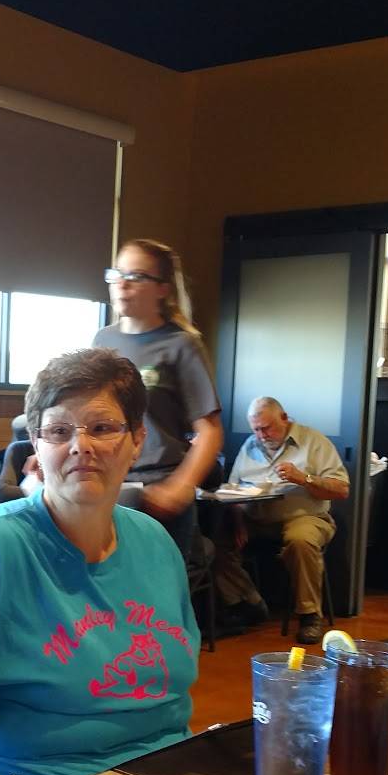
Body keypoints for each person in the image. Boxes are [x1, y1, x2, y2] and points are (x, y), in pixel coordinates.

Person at [0, 348, 200, 775]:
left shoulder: (155, 543)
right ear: (36, 446)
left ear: (137, 440)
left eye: (102, 428)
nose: (81, 446)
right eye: (59, 431)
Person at [92, 239, 222, 559]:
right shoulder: (102, 340)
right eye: (117, 274)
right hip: (110, 487)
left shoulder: (181, 345)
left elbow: (210, 432)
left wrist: (180, 487)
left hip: (158, 488)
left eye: (136, 276)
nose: (122, 284)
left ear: (162, 289)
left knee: (159, 587)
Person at [213, 396, 349, 644]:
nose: (261, 435)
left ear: (284, 418)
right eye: (256, 429)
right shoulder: (250, 445)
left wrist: (304, 478)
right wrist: (238, 521)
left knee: (300, 539)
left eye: (266, 428)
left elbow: (341, 489)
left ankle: (309, 615)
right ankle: (248, 602)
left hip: (305, 516)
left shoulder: (313, 441)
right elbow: (233, 489)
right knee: (216, 542)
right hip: (256, 518)